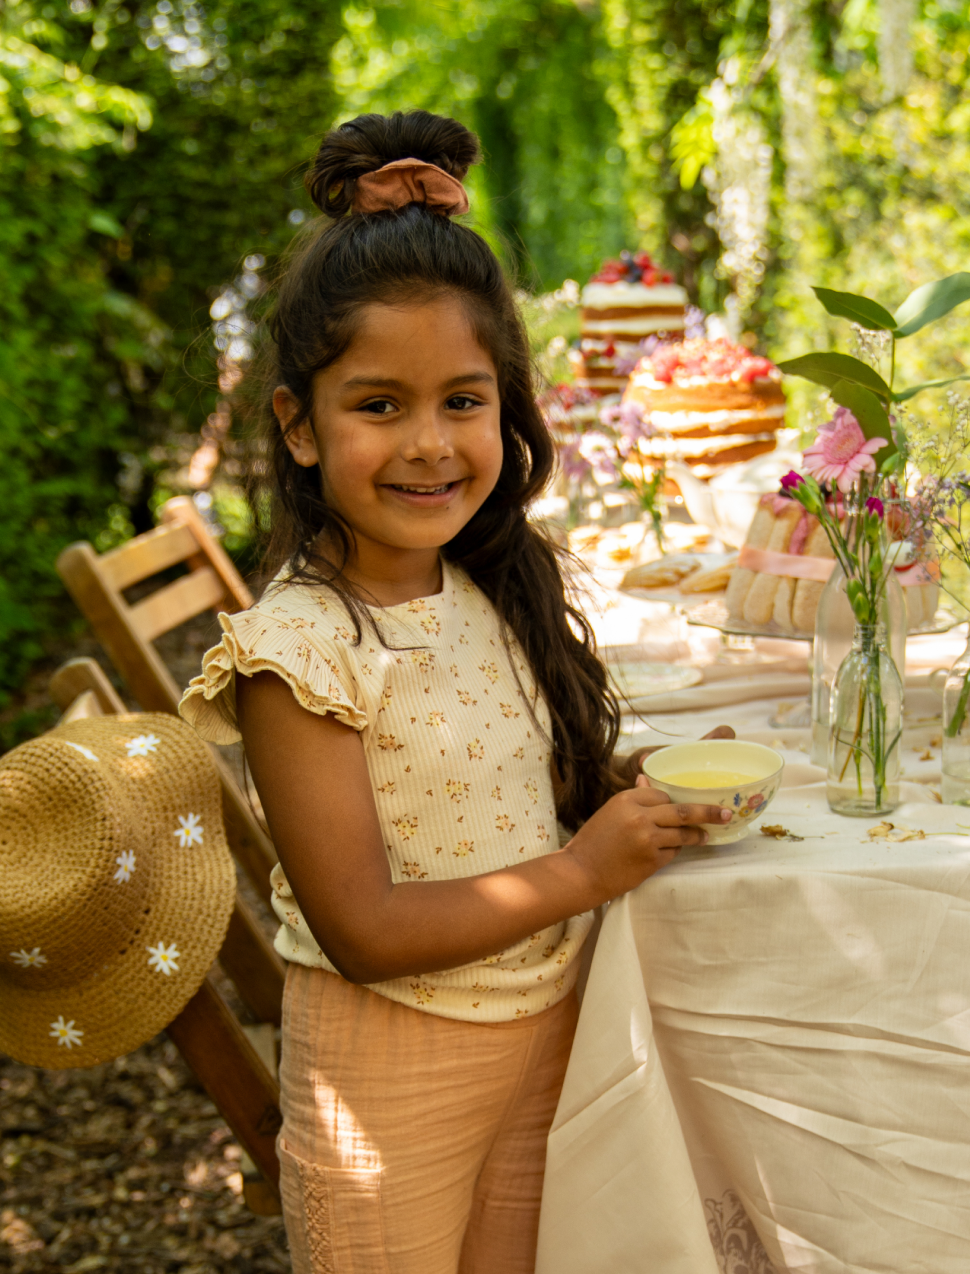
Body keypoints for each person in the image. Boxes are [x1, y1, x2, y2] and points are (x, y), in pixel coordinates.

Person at [179, 109, 733, 1274]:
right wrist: (581, 872)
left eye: (461, 401)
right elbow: (365, 928)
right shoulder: (301, 651)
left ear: (506, 404)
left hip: (543, 1035)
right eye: (378, 406)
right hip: (388, 1080)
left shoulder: (487, 587)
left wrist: (627, 794)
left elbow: (490, 787)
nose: (428, 445)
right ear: (298, 425)